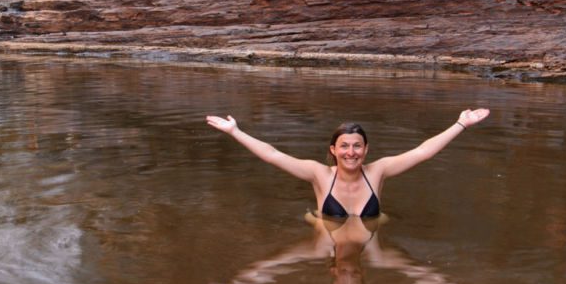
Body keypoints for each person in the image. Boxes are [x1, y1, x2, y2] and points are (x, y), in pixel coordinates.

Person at [205, 108, 490, 219]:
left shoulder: (378, 171)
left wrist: (460, 124)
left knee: (415, 272)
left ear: (366, 150)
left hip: (371, 245)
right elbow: (272, 155)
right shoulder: (318, 174)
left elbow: (422, 152)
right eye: (344, 146)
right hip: (327, 244)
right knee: (280, 262)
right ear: (333, 150)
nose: (351, 153)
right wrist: (236, 132)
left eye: (357, 146)